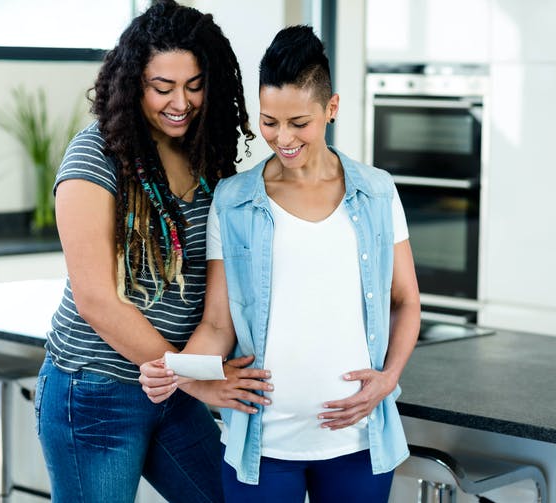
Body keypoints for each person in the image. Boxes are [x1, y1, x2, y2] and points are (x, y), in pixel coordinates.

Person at [140, 25, 421, 503]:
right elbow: (216, 322)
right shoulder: (233, 201)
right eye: (269, 121)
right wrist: (176, 369)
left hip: (357, 439)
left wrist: (388, 379)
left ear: (331, 108)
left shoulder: (376, 192)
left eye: (299, 122)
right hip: (262, 443)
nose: (282, 138)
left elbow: (406, 300)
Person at [33, 1, 266, 502]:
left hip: (173, 386)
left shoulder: (209, 157)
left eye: (195, 85)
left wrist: (191, 376)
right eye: (162, 88)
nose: (180, 102)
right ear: (133, 83)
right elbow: (96, 299)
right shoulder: (96, 154)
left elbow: (215, 299)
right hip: (96, 390)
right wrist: (197, 383)